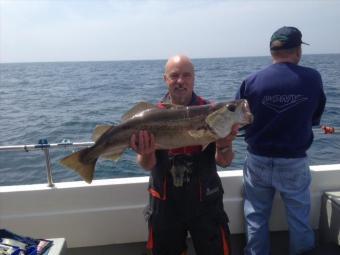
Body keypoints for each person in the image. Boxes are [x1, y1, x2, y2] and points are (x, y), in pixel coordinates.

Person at [130, 54, 239, 255]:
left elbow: (224, 161)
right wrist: (145, 152)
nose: (180, 81)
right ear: (165, 79)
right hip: (164, 204)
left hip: (206, 202)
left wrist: (224, 144)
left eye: (186, 75)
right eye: (174, 76)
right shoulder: (152, 115)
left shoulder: (213, 112)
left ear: (194, 78)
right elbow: (146, 165)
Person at [236, 26, 326, 255]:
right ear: (297, 51)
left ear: (272, 51)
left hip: (257, 161)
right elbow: (315, 116)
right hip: (293, 162)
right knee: (299, 219)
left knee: (255, 216)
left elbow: (238, 120)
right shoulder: (313, 78)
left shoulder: (251, 81)